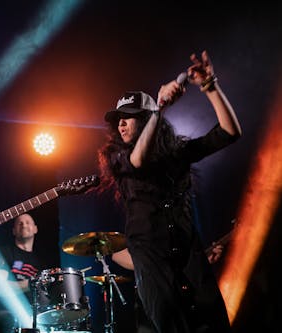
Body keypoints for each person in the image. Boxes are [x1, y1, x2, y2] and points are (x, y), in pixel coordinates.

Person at [97, 50, 241, 333]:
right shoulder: (116, 156)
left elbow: (229, 132)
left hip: (189, 254)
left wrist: (210, 85)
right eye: (118, 120)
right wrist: (159, 108)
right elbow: (138, 161)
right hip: (151, 262)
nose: (121, 124)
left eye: (129, 117)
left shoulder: (178, 153)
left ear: (147, 119)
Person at [0, 213, 43, 332]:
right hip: (9, 312)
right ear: (14, 231)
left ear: (35, 229)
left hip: (35, 315)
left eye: (28, 222)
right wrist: (31, 283)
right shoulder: (4, 252)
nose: (24, 225)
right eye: (20, 223)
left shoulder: (40, 263)